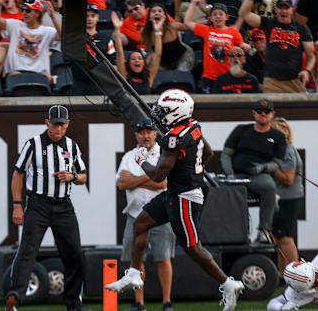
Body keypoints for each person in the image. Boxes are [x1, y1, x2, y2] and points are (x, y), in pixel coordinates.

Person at [105, 89, 245, 311]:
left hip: (185, 197)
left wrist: (142, 161)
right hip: (177, 192)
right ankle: (133, 274)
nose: (159, 114)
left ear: (176, 112)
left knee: (191, 247)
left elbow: (158, 175)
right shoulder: (193, 127)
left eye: (164, 111)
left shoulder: (173, 138)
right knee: (141, 223)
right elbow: (207, 153)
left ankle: (228, 284)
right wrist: (190, 168)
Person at [6, 105, 88, 311]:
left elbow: (84, 176)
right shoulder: (33, 144)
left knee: (75, 254)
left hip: (63, 206)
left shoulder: (72, 146)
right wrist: (17, 205)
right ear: (47, 123)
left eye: (62, 124)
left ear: (67, 124)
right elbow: (18, 173)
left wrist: (72, 177)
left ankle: (73, 303)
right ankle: (15, 296)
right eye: (54, 124)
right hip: (38, 204)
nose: (58, 129)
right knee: (27, 250)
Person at [116, 120, 173, 311]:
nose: (146, 135)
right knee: (136, 260)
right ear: (136, 135)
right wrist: (151, 178)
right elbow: (122, 183)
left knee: (163, 258)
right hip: (135, 214)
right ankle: (139, 303)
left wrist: (136, 180)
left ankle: (167, 302)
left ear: (156, 134)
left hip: (161, 214)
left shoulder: (163, 154)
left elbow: (163, 184)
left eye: (149, 132)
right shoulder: (129, 156)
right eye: (141, 132)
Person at [221, 99, 286, 242]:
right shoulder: (241, 130)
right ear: (253, 113)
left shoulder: (278, 136)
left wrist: (264, 167)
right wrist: (229, 174)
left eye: (267, 112)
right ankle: (229, 232)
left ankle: (264, 230)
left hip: (259, 175)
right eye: (259, 111)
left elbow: (277, 162)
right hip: (237, 174)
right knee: (218, 190)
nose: (263, 114)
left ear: (273, 114)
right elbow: (226, 154)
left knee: (269, 186)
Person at [239, 0, 315, 93]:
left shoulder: (301, 28)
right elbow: (243, 14)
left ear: (292, 10)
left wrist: (307, 71)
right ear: (276, 10)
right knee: (271, 108)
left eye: (286, 8)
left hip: (294, 81)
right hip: (272, 81)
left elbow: (311, 56)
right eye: (280, 8)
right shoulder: (269, 23)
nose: (283, 11)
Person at [185, 0, 247, 93]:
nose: (217, 16)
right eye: (214, 14)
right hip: (209, 78)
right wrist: (193, 3)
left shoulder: (233, 31)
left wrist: (245, 46)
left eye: (220, 14)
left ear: (227, 17)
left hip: (228, 76)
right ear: (210, 18)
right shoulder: (206, 30)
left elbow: (242, 47)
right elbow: (188, 22)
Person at [0, 0, 61, 81]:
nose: (24, 13)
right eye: (23, 10)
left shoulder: (47, 31)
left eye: (28, 11)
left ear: (37, 14)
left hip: (39, 74)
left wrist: (53, 17)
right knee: (15, 75)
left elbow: (61, 36)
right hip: (16, 72)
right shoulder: (15, 25)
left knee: (47, 78)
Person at [269, 117, 303, 275]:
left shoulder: (287, 149)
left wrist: (269, 167)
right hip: (280, 198)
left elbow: (288, 179)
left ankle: (295, 276)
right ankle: (283, 275)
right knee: (279, 238)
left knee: (286, 238)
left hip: (287, 198)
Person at [111, 11, 161, 94]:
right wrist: (117, 30)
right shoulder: (124, 75)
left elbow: (158, 55)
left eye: (140, 58)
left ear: (143, 62)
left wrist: (158, 31)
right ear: (129, 63)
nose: (137, 60)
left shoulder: (149, 77)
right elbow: (120, 53)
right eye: (133, 59)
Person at [141, 4, 193, 72]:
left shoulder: (173, 26)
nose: (157, 13)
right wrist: (150, 58)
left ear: (165, 16)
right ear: (149, 18)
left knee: (179, 76)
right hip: (163, 63)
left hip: (183, 57)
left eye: (160, 11)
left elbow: (190, 26)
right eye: (153, 11)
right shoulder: (146, 32)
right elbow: (150, 50)